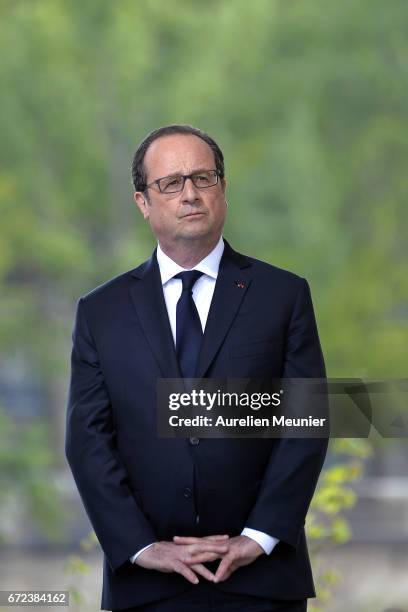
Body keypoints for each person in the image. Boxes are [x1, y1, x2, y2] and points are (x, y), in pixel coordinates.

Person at [65, 124, 328, 612]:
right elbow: (88, 441)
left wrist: (261, 535)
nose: (190, 194)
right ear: (142, 201)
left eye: (203, 179)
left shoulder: (283, 296)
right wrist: (141, 547)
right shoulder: (101, 312)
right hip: (147, 585)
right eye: (171, 182)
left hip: (261, 580)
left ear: (224, 191)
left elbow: (307, 424)